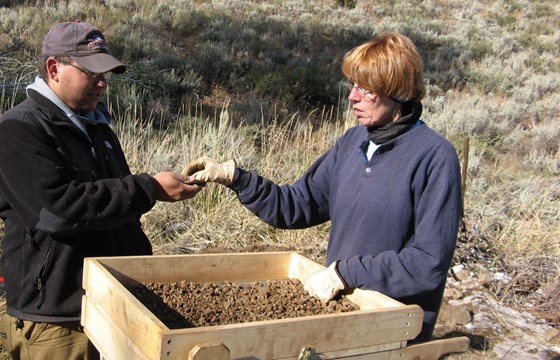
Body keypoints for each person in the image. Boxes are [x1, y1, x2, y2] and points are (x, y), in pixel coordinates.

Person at [183, 32, 461, 343]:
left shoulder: (434, 156)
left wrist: (346, 273)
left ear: (397, 92)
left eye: (365, 89)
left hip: (394, 331)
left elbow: (427, 263)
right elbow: (297, 205)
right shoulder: (353, 142)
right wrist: (238, 178)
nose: (352, 97)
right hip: (342, 316)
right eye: (353, 85)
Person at [0, 20, 202, 359]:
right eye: (92, 72)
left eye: (106, 73)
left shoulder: (98, 128)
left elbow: (117, 210)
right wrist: (149, 187)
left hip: (115, 304)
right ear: (54, 68)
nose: (103, 83)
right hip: (59, 320)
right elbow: (60, 210)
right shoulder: (19, 130)